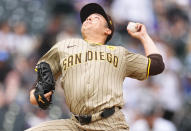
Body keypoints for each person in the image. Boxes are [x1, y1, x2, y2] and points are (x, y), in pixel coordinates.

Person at [26, 3, 165, 131]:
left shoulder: (119, 53)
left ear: (107, 30)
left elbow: (157, 65)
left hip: (110, 123)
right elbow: (41, 85)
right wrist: (36, 96)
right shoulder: (64, 47)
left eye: (96, 17)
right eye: (86, 18)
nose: (89, 19)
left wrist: (143, 36)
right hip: (76, 124)